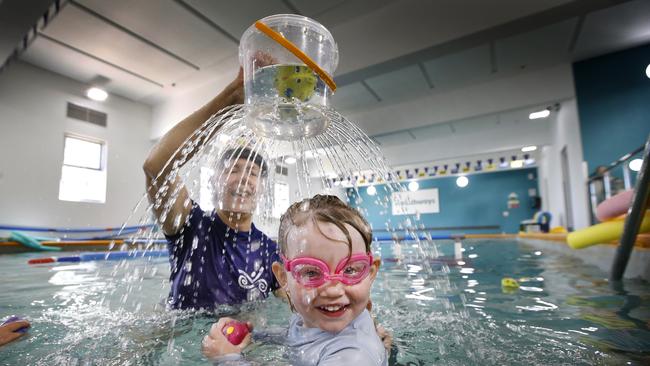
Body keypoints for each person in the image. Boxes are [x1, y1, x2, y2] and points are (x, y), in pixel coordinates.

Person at [143, 68, 282, 310]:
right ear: (213, 181)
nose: (243, 180)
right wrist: (228, 101)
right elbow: (156, 166)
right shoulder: (191, 227)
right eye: (233, 169)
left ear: (262, 189)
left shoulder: (271, 253)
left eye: (253, 173)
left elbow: (296, 315)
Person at [202, 195, 388, 365]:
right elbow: (296, 335)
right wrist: (255, 335)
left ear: (370, 273)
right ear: (283, 278)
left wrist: (228, 359)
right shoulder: (309, 316)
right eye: (311, 273)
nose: (333, 290)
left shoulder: (354, 355)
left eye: (350, 269)